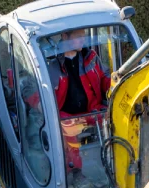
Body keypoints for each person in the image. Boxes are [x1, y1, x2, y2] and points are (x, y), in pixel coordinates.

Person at [48, 28, 112, 178]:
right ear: (64, 36)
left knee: (117, 119)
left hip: (92, 111)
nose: (83, 40)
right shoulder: (51, 66)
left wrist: (115, 86)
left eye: (84, 36)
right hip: (66, 117)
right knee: (66, 133)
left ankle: (112, 167)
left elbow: (105, 78)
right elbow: (36, 92)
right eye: (78, 36)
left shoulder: (91, 58)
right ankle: (75, 175)